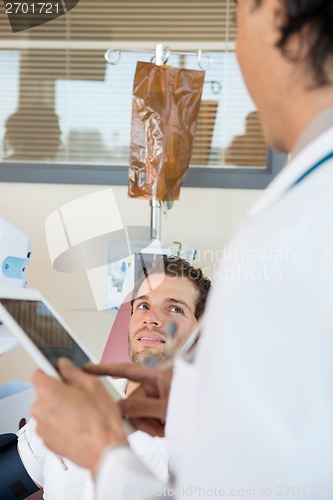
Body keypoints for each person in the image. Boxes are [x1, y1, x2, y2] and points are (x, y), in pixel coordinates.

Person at [31, 0, 333, 498]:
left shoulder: (303, 235)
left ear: (281, 20)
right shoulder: (302, 212)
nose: (236, 54)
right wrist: (193, 408)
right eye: (143, 306)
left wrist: (100, 448)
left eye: (237, 26)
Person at [4, 256, 210, 499]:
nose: (151, 318)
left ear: (199, 335)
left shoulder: (205, 433)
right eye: (143, 306)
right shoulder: (84, 396)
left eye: (175, 309)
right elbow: (12, 475)